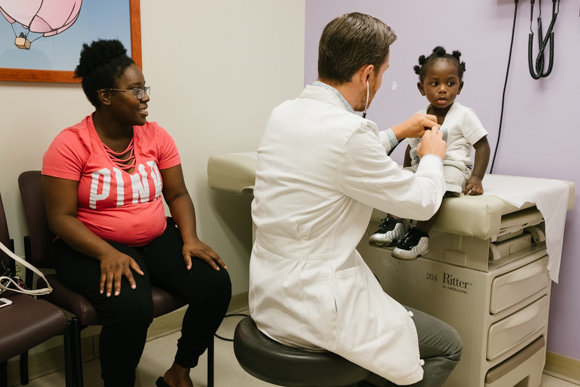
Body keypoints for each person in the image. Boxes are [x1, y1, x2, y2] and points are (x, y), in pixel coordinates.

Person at [249, 12, 462, 387]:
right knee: (447, 345)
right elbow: (421, 202)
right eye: (382, 73)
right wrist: (431, 156)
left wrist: (397, 132)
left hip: (269, 295)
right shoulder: (349, 133)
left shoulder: (284, 113)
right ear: (367, 75)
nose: (381, 82)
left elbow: (334, 158)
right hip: (315, 306)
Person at [42, 39, 231, 387]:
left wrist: (189, 238)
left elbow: (177, 193)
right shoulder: (69, 144)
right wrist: (106, 252)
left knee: (216, 283)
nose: (146, 97)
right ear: (106, 96)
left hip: (155, 239)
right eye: (135, 89)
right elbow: (61, 218)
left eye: (145, 87)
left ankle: (179, 372)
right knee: (131, 306)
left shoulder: (156, 136)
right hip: (87, 248)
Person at [369, 46, 491, 260]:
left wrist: (477, 178)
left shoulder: (464, 115)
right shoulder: (419, 116)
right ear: (421, 88)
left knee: (438, 185)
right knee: (401, 181)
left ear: (460, 87)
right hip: (423, 164)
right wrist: (407, 171)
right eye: (435, 84)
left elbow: (482, 146)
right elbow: (411, 147)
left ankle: (420, 234)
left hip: (453, 167)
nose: (442, 89)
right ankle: (395, 223)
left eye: (450, 83)